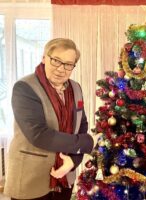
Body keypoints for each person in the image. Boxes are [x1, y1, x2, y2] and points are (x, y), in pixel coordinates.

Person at [4, 38, 98, 200]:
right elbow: (39, 135)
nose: (61, 69)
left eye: (68, 64)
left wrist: (73, 161)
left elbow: (81, 125)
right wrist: (87, 143)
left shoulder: (76, 88)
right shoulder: (25, 87)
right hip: (30, 175)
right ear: (44, 58)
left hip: (64, 176)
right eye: (56, 61)